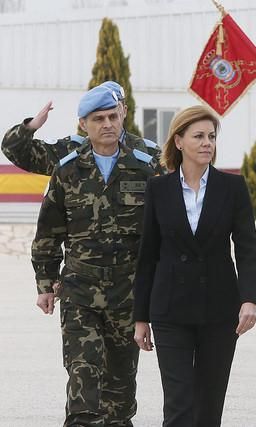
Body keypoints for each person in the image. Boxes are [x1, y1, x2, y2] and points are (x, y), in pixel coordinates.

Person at [30, 85, 160, 425]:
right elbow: (49, 231)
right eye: (98, 119)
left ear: (123, 116)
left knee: (120, 397)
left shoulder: (149, 165)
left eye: (112, 117)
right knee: (83, 386)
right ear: (83, 124)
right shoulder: (69, 169)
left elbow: (168, 230)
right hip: (80, 293)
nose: (107, 124)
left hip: (128, 296)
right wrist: (46, 283)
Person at [133, 105, 256, 427]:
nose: (207, 143)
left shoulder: (232, 188)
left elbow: (247, 249)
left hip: (219, 310)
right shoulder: (158, 189)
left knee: (208, 407)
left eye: (212, 137)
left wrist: (249, 299)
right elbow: (148, 255)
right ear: (179, 141)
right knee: (178, 406)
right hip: (170, 311)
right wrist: (141, 317)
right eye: (199, 136)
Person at [1, 80, 161, 176]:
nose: (107, 120)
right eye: (99, 115)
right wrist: (31, 126)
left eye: (114, 108)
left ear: (123, 111)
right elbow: (14, 150)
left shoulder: (147, 153)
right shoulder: (71, 151)